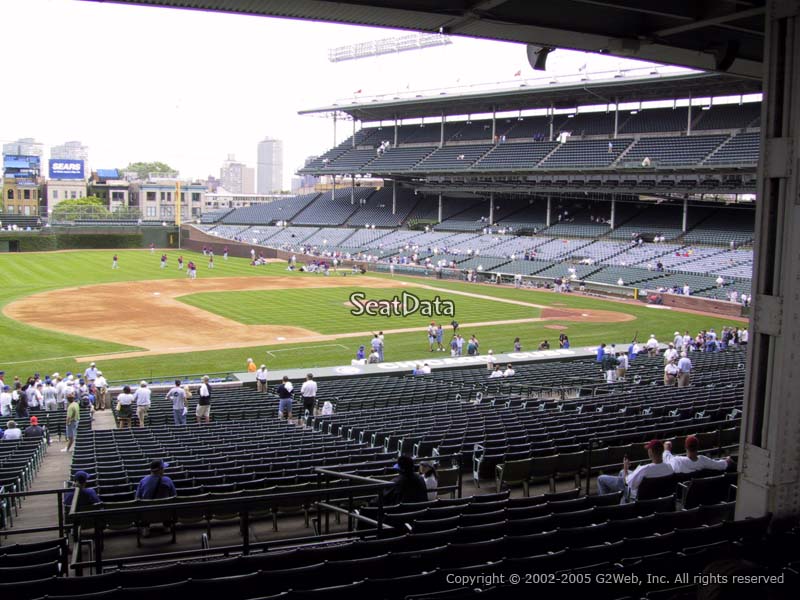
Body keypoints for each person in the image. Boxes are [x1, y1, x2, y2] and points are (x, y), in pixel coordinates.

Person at [597, 439, 673, 502]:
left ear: (651, 452)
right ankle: (621, 500)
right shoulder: (670, 467)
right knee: (621, 472)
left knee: (601, 478)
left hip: (635, 495)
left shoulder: (644, 469)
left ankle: (605, 504)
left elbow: (627, 483)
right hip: (656, 496)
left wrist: (626, 468)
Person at [663, 436, 734, 474]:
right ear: (697, 447)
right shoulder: (703, 460)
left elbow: (667, 457)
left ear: (685, 447)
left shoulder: (677, 460)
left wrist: (667, 449)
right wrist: (727, 460)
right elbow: (720, 465)